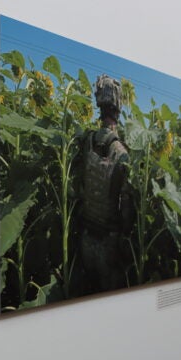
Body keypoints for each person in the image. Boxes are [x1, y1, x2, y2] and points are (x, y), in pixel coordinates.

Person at [79, 74, 133, 293]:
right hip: (108, 242)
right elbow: (127, 206)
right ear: (118, 107)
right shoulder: (121, 153)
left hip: (85, 238)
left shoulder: (86, 141)